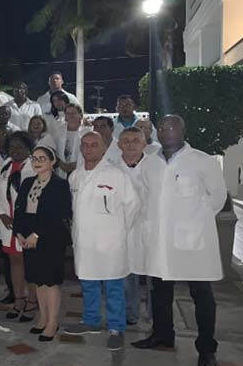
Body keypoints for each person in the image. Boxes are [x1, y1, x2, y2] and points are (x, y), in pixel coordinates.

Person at [131, 115, 227, 366]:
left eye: (172, 126)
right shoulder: (149, 163)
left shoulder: (202, 161)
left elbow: (217, 197)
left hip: (193, 241)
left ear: (183, 130)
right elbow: (142, 194)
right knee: (160, 291)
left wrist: (196, 220)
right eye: (161, 127)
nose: (165, 131)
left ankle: (206, 348)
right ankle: (163, 334)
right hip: (160, 239)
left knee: (202, 295)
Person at [64, 132, 139, 352]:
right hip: (84, 241)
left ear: (104, 148)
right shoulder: (75, 176)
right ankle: (92, 321)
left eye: (94, 145)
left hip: (111, 241)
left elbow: (133, 206)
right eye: (85, 145)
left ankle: (116, 328)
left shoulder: (117, 175)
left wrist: (117, 230)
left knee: (114, 287)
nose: (88, 149)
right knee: (88, 283)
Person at [13, 145, 72, 342]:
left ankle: (53, 322)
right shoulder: (28, 181)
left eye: (42, 158)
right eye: (34, 158)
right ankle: (43, 317)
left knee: (50, 281)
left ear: (52, 161)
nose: (37, 162)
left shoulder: (60, 185)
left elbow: (60, 215)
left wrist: (37, 235)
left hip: (51, 236)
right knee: (37, 280)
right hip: (29, 235)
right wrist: (20, 232)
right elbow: (20, 209)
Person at [0, 131, 38, 322]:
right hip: (7, 223)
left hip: (27, 224)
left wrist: (21, 221)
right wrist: (1, 214)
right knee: (14, 262)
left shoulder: (35, 166)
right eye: (12, 147)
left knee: (31, 264)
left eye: (20, 147)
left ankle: (32, 302)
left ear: (28, 148)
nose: (15, 151)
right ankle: (19, 299)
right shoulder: (5, 166)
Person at [116, 127, 150, 326]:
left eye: (135, 140)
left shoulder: (155, 167)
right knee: (127, 276)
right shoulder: (111, 168)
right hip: (123, 231)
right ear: (119, 144)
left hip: (150, 229)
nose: (130, 144)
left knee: (155, 279)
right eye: (126, 140)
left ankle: (156, 316)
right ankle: (131, 313)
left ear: (144, 143)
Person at [55, 104, 91, 179]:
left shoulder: (87, 131)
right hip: (62, 169)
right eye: (68, 113)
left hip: (81, 169)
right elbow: (55, 149)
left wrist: (76, 164)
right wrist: (61, 163)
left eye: (74, 113)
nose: (71, 116)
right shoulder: (59, 130)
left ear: (80, 115)